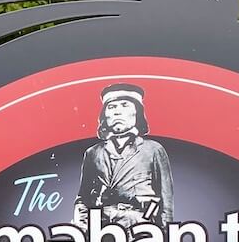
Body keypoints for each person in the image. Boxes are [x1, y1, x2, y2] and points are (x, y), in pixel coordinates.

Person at [74, 83, 174, 230]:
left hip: (141, 228)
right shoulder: (93, 153)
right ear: (105, 115)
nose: (117, 112)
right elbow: (82, 199)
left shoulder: (153, 150)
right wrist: (83, 230)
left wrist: (162, 235)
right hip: (102, 229)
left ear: (137, 112)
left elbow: (165, 201)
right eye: (112, 107)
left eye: (124, 105)